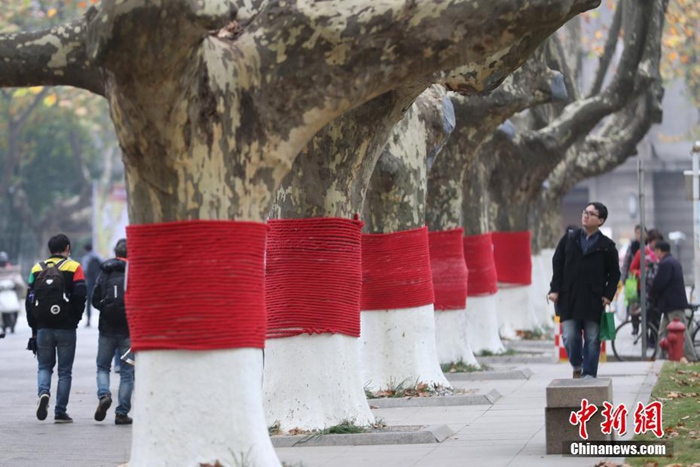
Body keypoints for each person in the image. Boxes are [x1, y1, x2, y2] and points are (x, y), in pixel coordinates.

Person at [548, 202, 621, 379]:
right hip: (569, 297)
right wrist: (554, 289)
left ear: (600, 220)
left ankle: (589, 376)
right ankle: (577, 365)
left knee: (592, 340)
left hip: (593, 299)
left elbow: (615, 273)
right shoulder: (569, 238)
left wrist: (608, 295)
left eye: (591, 214)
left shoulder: (607, 245)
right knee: (569, 336)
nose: (585, 216)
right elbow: (557, 263)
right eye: (585, 212)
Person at [26, 234, 86, 423]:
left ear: (50, 249)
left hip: (43, 326)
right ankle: (60, 412)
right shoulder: (74, 267)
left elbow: (29, 300)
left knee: (44, 366)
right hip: (66, 327)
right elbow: (81, 295)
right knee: (65, 371)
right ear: (67, 247)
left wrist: (34, 325)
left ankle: (44, 393)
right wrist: (74, 318)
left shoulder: (36, 268)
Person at [91, 238, 134, 425]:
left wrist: (107, 309)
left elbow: (95, 299)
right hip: (128, 330)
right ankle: (121, 413)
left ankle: (104, 395)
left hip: (106, 329)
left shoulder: (105, 271)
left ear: (116, 253)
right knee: (127, 372)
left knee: (103, 367)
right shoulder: (135, 272)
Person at [650, 240, 698, 362]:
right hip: (670, 304)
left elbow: (659, 283)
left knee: (682, 332)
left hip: (672, 304)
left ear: (660, 251)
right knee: (663, 331)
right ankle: (659, 358)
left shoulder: (666, 264)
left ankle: (691, 357)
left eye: (656, 251)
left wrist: (652, 292)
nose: (656, 254)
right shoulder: (673, 262)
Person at [627, 229, 664, 339]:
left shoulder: (661, 253)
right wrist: (642, 272)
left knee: (656, 315)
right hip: (643, 289)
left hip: (657, 289)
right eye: (655, 241)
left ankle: (654, 338)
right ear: (650, 241)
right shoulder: (641, 252)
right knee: (646, 315)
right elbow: (632, 269)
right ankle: (646, 337)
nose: (656, 244)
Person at [0, 251, 25, 335]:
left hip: (11, 292)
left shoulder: (11, 269)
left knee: (16, 307)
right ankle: (3, 325)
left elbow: (20, 283)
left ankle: (13, 325)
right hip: (2, 293)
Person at [81, 243, 103, 328]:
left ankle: (88, 321)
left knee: (89, 302)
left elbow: (84, 270)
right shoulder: (99, 256)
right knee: (102, 301)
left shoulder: (86, 258)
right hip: (99, 282)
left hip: (89, 282)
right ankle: (102, 320)